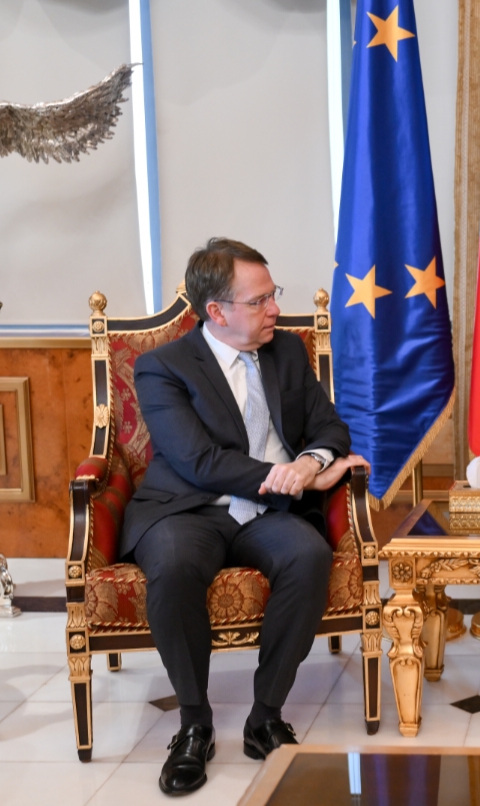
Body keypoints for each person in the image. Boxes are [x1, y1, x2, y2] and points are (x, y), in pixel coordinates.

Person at [121, 238, 368, 795]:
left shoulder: (287, 353)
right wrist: (286, 477)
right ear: (217, 311)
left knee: (308, 555)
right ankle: (194, 724)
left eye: (273, 294)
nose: (275, 309)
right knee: (175, 566)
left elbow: (331, 428)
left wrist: (308, 464)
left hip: (267, 511)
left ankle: (265, 717)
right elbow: (198, 460)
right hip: (188, 508)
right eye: (260, 301)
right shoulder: (163, 367)